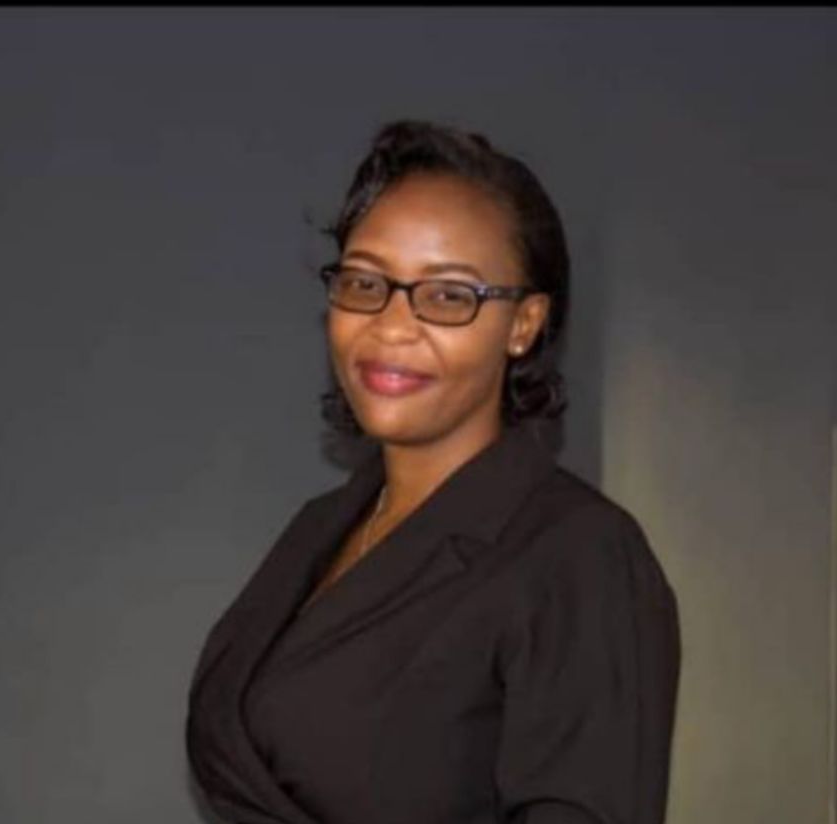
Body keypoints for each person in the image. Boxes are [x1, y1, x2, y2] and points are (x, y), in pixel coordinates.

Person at [186, 120, 680, 824]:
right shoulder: (321, 527)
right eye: (365, 282)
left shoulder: (580, 554)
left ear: (523, 324)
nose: (391, 325)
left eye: (448, 295)